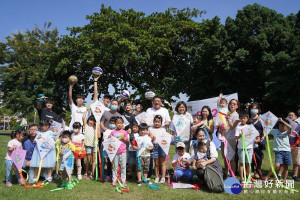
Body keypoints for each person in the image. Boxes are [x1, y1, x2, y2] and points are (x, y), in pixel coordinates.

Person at [235, 111, 260, 183]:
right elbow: (236, 137)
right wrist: (240, 135)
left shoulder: (250, 126)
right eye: (241, 118)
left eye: (244, 118)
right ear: (239, 119)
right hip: (241, 147)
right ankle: (242, 178)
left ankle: (249, 178)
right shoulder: (238, 127)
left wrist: (257, 138)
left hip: (249, 147)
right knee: (241, 163)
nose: (243, 120)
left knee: (248, 163)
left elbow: (255, 134)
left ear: (247, 119)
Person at [265, 118, 292, 183]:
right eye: (280, 126)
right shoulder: (275, 131)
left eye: (283, 126)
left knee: (286, 167)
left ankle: (284, 180)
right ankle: (267, 177)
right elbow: (266, 129)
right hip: (278, 151)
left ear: (286, 126)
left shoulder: (288, 132)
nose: (281, 127)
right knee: (277, 165)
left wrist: (282, 121)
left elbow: (290, 127)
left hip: (287, 151)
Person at [109, 117, 129, 186]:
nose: (119, 124)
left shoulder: (124, 132)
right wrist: (110, 137)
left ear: (122, 124)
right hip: (115, 152)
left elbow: (128, 140)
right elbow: (109, 140)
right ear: (115, 124)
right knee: (115, 166)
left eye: (120, 123)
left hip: (123, 151)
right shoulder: (112, 132)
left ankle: (123, 180)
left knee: (123, 166)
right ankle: (114, 180)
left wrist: (124, 138)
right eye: (118, 123)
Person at [149, 115, 169, 183]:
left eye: (158, 122)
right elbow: (147, 137)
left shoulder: (163, 129)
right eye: (155, 122)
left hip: (162, 147)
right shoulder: (150, 128)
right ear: (153, 122)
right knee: (156, 163)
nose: (157, 123)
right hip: (154, 146)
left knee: (162, 163)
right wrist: (151, 138)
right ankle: (157, 177)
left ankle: (163, 177)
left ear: (161, 123)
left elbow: (166, 138)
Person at [248, 102, 265, 179]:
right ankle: (251, 170)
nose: (254, 110)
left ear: (258, 109)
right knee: (250, 156)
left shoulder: (261, 118)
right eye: (252, 108)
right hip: (249, 140)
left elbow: (265, 128)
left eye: (256, 108)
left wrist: (263, 136)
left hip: (259, 140)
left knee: (259, 156)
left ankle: (258, 170)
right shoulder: (247, 117)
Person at [224, 99, 240, 178]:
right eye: (231, 103)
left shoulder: (236, 115)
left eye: (234, 104)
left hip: (232, 138)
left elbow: (233, 127)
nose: (232, 105)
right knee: (225, 156)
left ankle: (232, 173)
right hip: (225, 137)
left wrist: (227, 119)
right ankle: (226, 172)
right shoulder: (227, 113)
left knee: (232, 157)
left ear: (237, 106)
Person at [82, 112, 100, 179]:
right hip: (88, 145)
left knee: (94, 159)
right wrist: (86, 110)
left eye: (93, 120)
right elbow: (83, 117)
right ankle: (86, 172)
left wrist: (97, 126)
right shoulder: (86, 126)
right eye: (90, 120)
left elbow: (99, 136)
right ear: (88, 120)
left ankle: (92, 173)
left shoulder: (95, 127)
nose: (91, 122)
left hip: (94, 145)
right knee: (88, 160)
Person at [102, 117, 117, 181]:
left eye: (113, 123)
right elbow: (105, 139)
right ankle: (108, 175)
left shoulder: (117, 131)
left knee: (115, 163)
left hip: (116, 149)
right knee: (108, 162)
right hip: (109, 149)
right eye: (111, 123)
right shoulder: (106, 131)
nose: (112, 124)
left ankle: (115, 175)